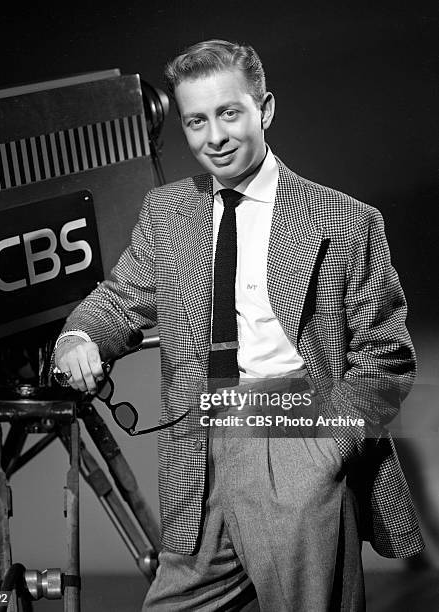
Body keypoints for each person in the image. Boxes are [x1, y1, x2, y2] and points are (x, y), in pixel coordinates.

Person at [53, 40, 424, 611]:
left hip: (295, 431)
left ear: (265, 110)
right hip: (196, 447)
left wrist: (328, 448)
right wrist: (80, 336)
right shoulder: (166, 212)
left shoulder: (344, 219)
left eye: (229, 113)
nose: (214, 138)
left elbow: (386, 358)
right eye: (196, 121)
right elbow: (119, 299)